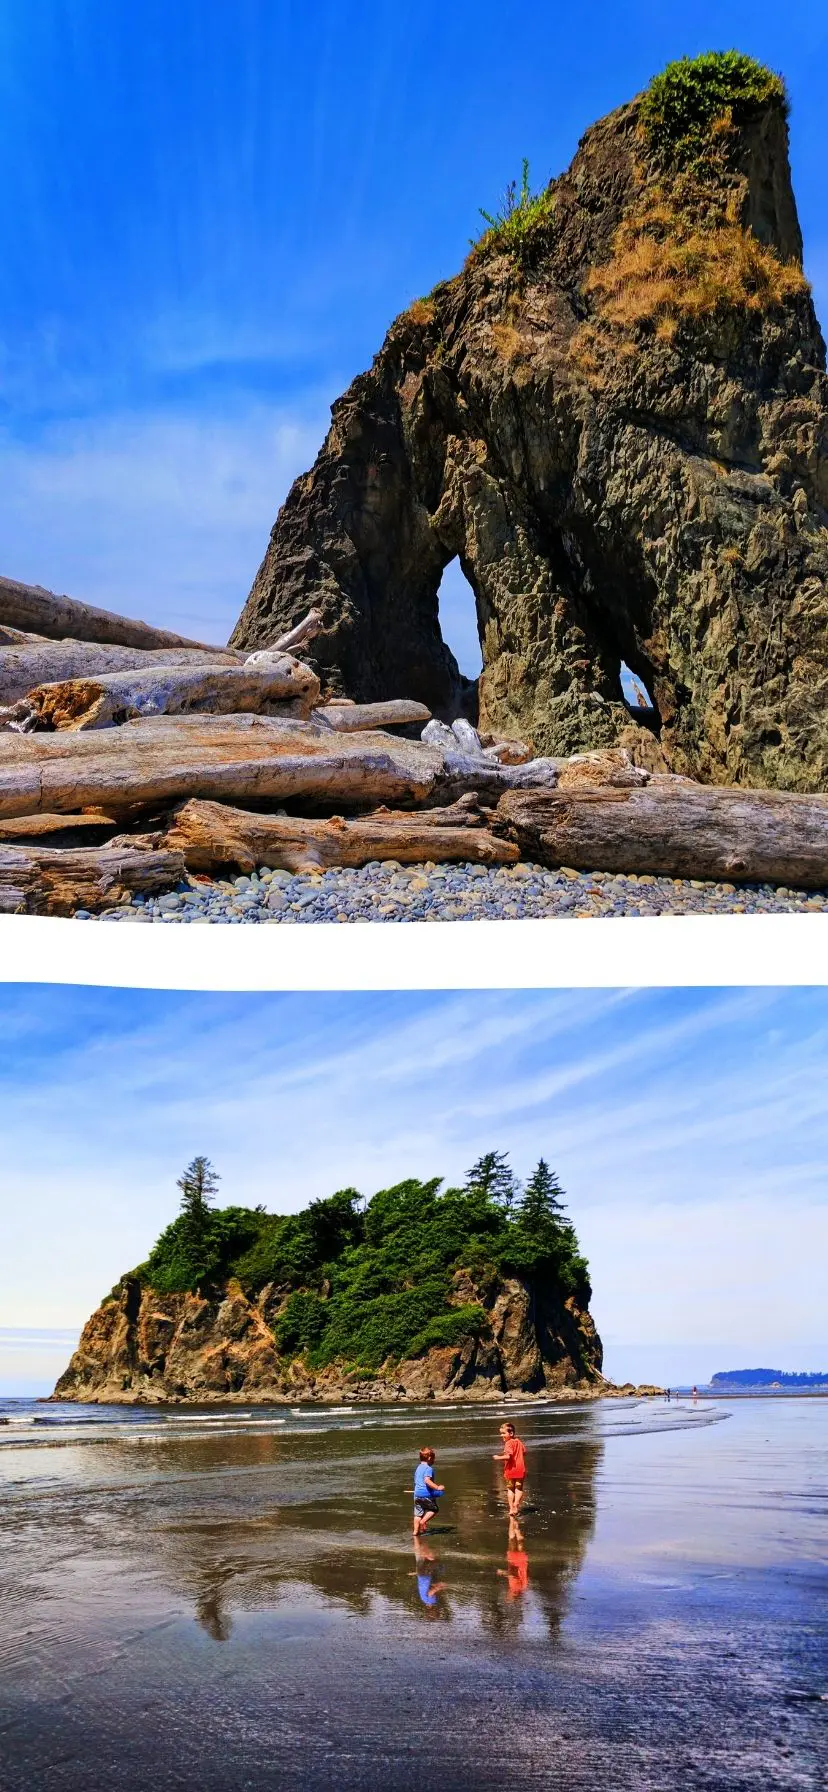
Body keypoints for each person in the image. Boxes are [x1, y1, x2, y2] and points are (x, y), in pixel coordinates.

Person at [493, 1421, 527, 1518]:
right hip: (520, 1469)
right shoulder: (519, 1442)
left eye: (503, 1433)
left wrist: (497, 1457)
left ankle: (512, 1508)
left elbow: (508, 1456)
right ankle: (516, 1503)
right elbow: (524, 1452)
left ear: (511, 1433)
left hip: (510, 1470)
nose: (501, 1435)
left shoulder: (508, 1443)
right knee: (519, 1488)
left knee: (510, 1489)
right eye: (501, 1433)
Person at [413, 1446, 444, 1536]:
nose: (434, 1461)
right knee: (434, 1509)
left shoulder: (418, 1468)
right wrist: (437, 1487)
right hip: (426, 1494)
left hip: (417, 1494)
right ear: (430, 1458)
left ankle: (415, 1531)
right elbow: (427, 1480)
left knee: (418, 1514)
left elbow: (416, 1480)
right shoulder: (428, 1469)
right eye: (434, 1459)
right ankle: (423, 1522)